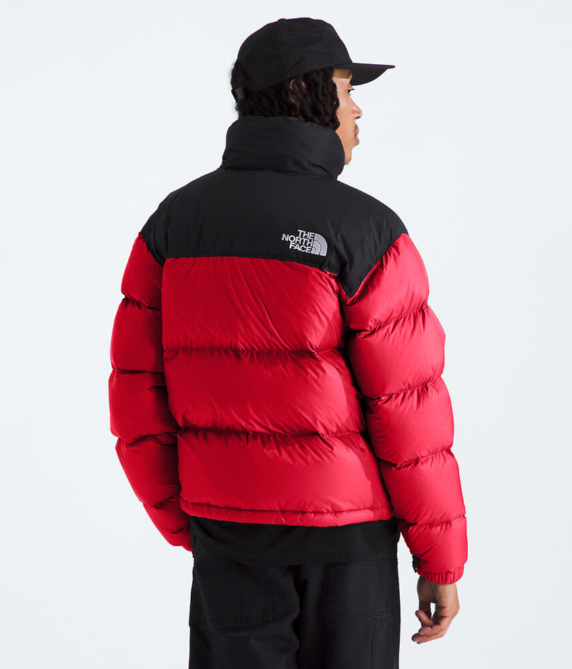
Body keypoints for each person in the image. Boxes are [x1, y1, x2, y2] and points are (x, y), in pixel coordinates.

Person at [108, 16, 468, 669]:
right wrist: (438, 559)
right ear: (306, 93)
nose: (357, 109)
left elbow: (136, 396)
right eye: (346, 88)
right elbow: (410, 413)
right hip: (347, 546)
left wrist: (193, 521)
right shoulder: (366, 231)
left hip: (230, 537)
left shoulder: (174, 224)